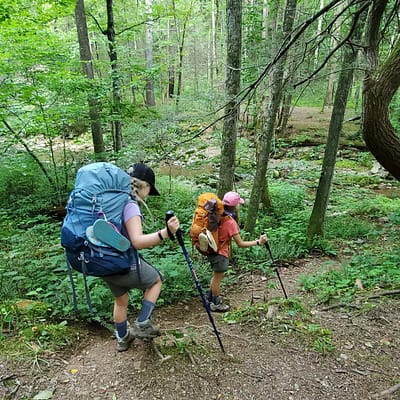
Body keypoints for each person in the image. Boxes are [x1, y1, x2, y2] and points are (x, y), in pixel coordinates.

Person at [101, 162, 180, 352]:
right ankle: (143, 322)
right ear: (144, 186)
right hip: (122, 262)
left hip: (103, 262)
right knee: (156, 279)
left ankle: (122, 338)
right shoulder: (129, 204)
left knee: (121, 300)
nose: (148, 195)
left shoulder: (110, 199)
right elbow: (136, 241)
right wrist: (165, 233)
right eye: (149, 189)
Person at [206, 191, 267, 312]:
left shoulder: (216, 215)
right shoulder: (230, 222)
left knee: (215, 276)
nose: (239, 206)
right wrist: (258, 242)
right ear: (234, 206)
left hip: (212, 251)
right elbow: (240, 244)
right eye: (238, 204)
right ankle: (216, 303)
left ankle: (209, 299)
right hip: (221, 254)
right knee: (217, 279)